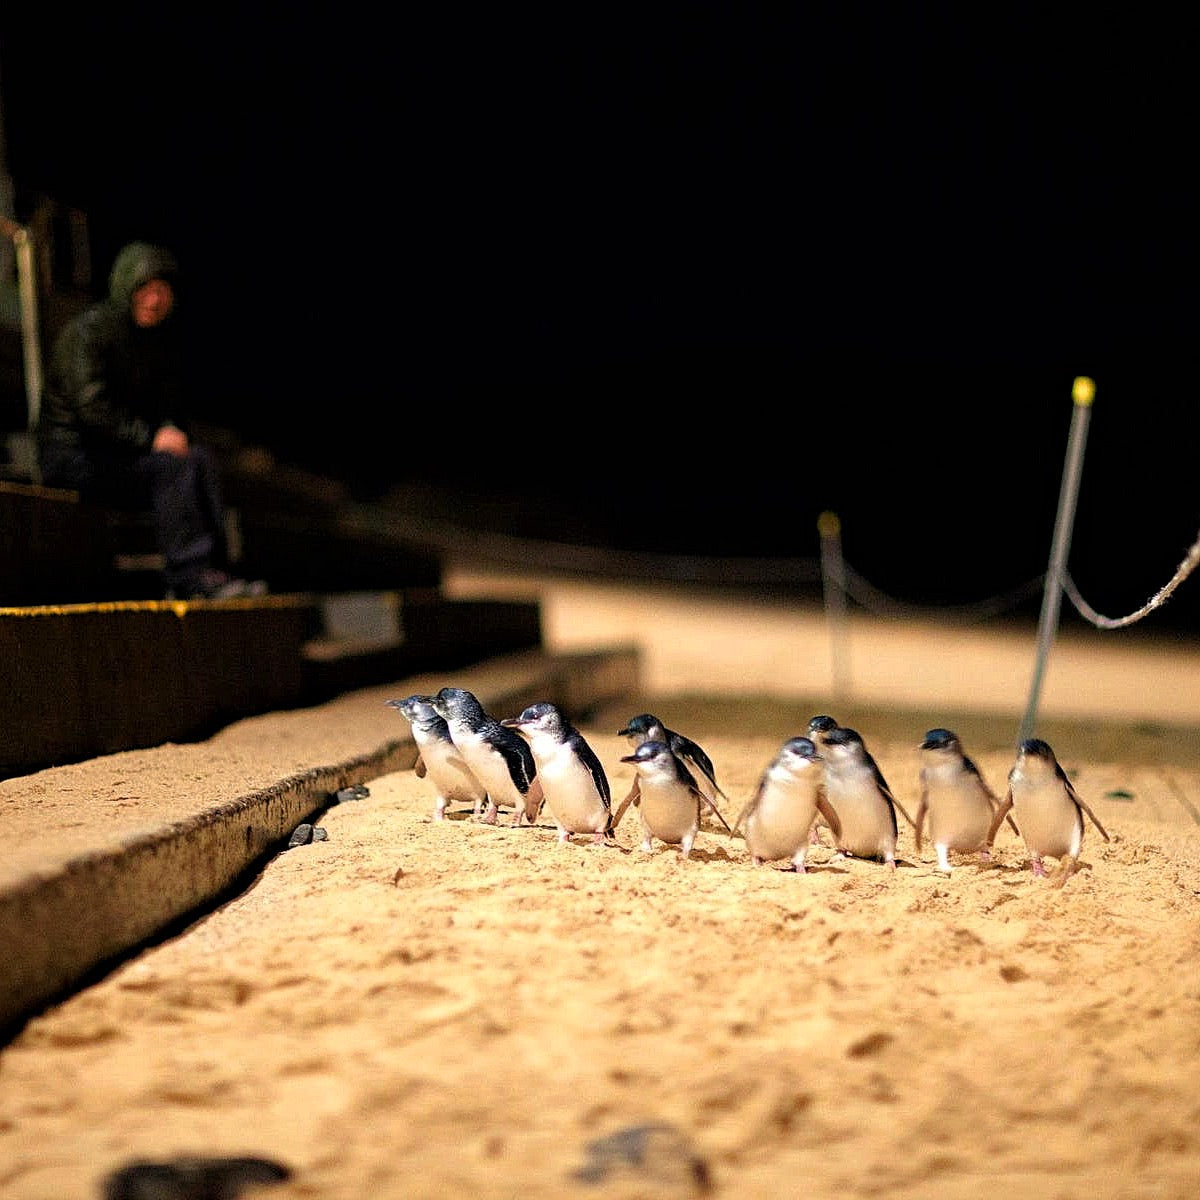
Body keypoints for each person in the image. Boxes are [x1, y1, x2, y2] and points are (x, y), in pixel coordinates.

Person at [35, 240, 266, 599]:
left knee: (198, 459)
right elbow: (92, 408)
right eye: (145, 289)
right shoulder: (90, 332)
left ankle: (216, 572)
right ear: (126, 287)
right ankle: (189, 577)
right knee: (170, 467)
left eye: (162, 291)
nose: (154, 300)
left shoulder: (153, 342)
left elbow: (165, 405)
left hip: (118, 454)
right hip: (74, 456)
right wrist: (151, 439)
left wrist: (170, 431)